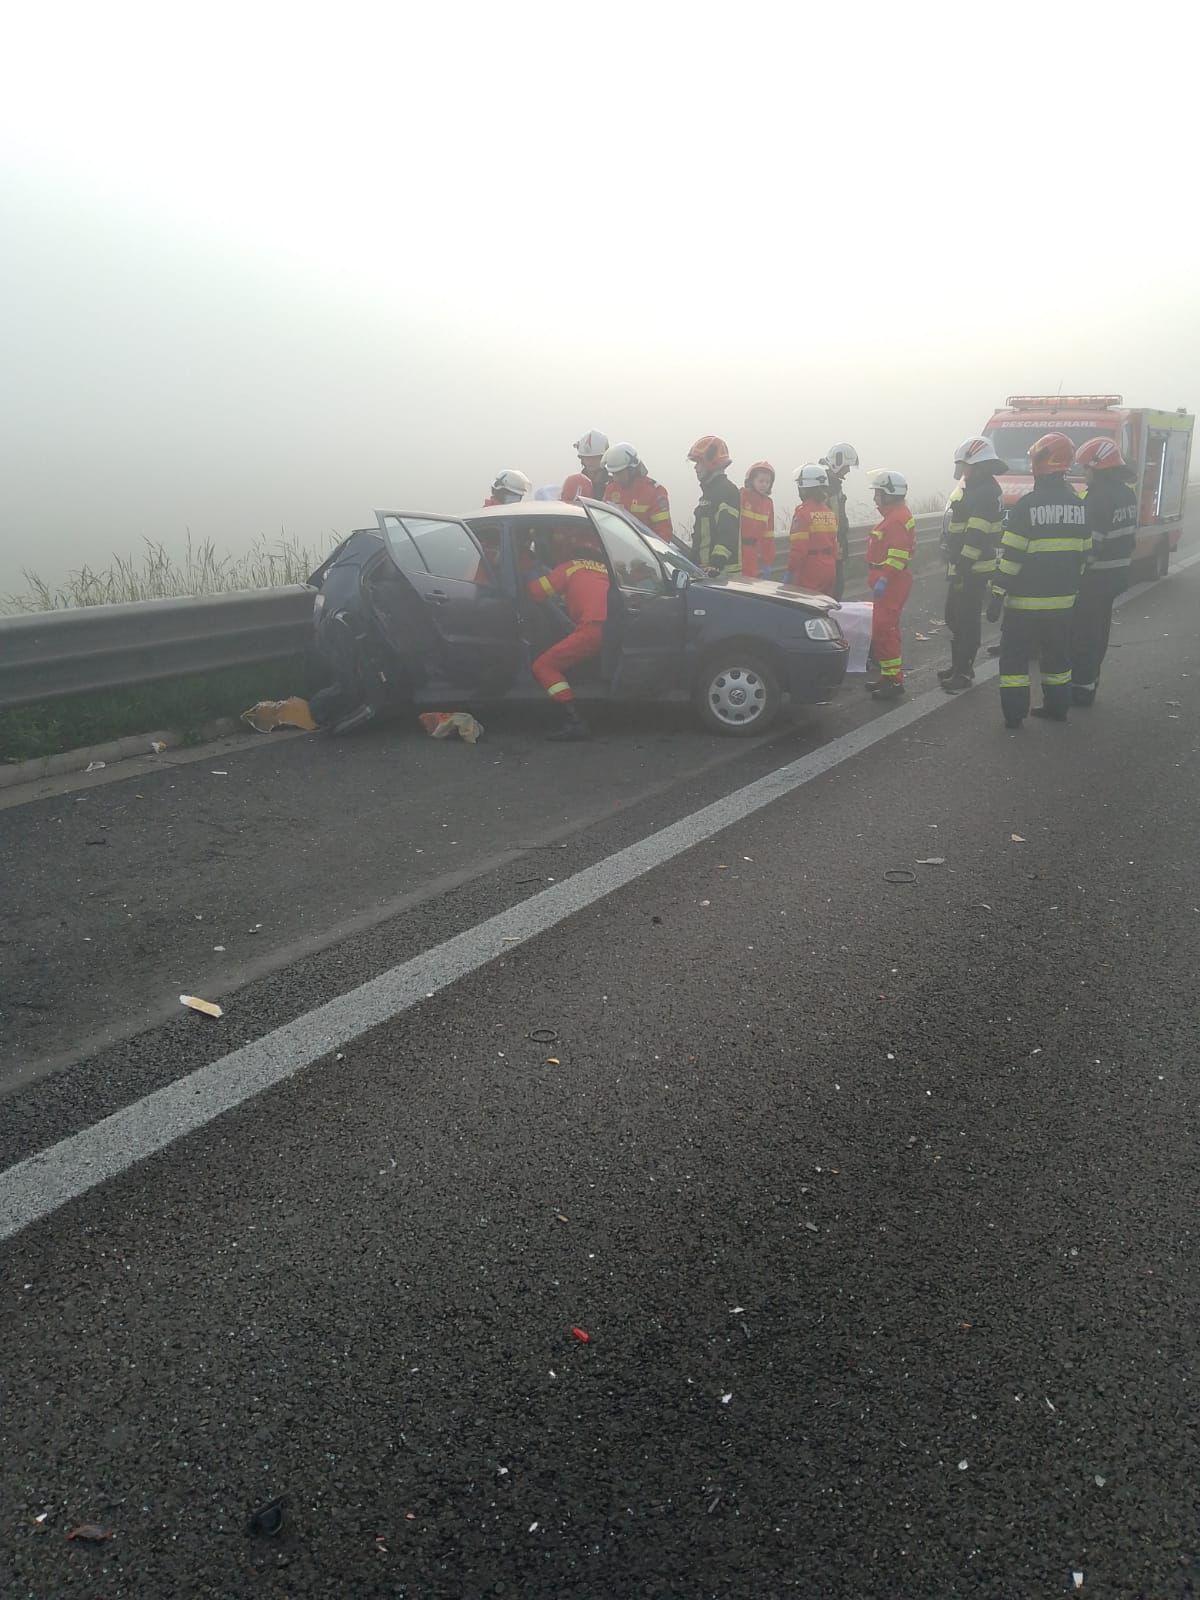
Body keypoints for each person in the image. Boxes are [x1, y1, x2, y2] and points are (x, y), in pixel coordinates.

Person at [986, 431, 1090, 729]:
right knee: (1058, 659)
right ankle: (1058, 707)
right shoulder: (1080, 507)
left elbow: (1011, 559)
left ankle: (1015, 714)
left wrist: (997, 594)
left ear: (1040, 465)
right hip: (1063, 604)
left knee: (1015, 661)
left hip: (1024, 606)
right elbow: (1084, 557)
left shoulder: (1027, 506)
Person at [1070, 436, 1137, 706]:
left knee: (1084, 634)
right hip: (1116, 576)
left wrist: (1073, 575)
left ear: (1098, 468)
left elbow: (1091, 546)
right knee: (1100, 631)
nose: (1084, 474)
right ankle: (1091, 680)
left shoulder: (1098, 498)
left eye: (1086, 468)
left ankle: (1082, 688)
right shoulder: (1126, 493)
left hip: (1095, 578)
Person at [526, 528, 611, 742]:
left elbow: (535, 592)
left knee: (543, 666)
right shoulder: (605, 570)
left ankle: (574, 720)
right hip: (614, 630)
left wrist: (524, 573)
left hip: (591, 630)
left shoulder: (569, 568)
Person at [940, 436, 1007, 692]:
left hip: (973, 569)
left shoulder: (986, 493)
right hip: (963, 566)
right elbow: (961, 532)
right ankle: (958, 665)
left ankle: (964, 672)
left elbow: (976, 538)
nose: (962, 472)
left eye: (965, 467)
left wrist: (962, 569)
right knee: (954, 617)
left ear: (978, 466)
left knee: (966, 622)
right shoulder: (976, 489)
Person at [865, 469, 916, 700]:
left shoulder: (895, 520)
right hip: (890, 581)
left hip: (891, 582)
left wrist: (884, 577)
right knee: (885, 629)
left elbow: (896, 555)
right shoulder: (895, 515)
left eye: (878, 493)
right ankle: (888, 675)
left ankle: (894, 680)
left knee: (884, 629)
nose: (875, 497)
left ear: (889, 494)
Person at [688, 435, 742, 574]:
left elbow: (728, 531)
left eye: (698, 462)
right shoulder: (709, 493)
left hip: (723, 575)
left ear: (711, 462)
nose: (695, 467)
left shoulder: (726, 491)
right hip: (707, 572)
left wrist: (716, 563)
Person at [601, 443, 673, 541]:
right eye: (613, 473)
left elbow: (664, 534)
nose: (615, 478)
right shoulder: (611, 489)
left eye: (619, 473)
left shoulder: (655, 492)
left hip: (645, 551)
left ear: (632, 470)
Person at [788, 464, 840, 592]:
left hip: (810, 569)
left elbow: (799, 549)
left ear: (804, 489)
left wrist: (790, 571)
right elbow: (834, 544)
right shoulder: (829, 512)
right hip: (829, 567)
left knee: (805, 607)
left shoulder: (802, 513)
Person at [819, 442, 859, 599]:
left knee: (837, 587)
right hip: (830, 546)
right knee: (833, 589)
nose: (848, 470)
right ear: (838, 461)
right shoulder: (827, 485)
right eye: (846, 466)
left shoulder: (833, 484)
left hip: (835, 544)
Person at [739, 462, 776, 580]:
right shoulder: (742, 495)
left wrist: (768, 561)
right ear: (751, 480)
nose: (764, 484)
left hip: (753, 552)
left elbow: (768, 534)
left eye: (767, 482)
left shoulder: (768, 503)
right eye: (761, 481)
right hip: (739, 551)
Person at [574, 430, 611, 499]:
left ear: (604, 457)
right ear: (581, 458)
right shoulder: (574, 483)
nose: (590, 462)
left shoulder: (613, 484)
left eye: (595, 458)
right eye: (587, 458)